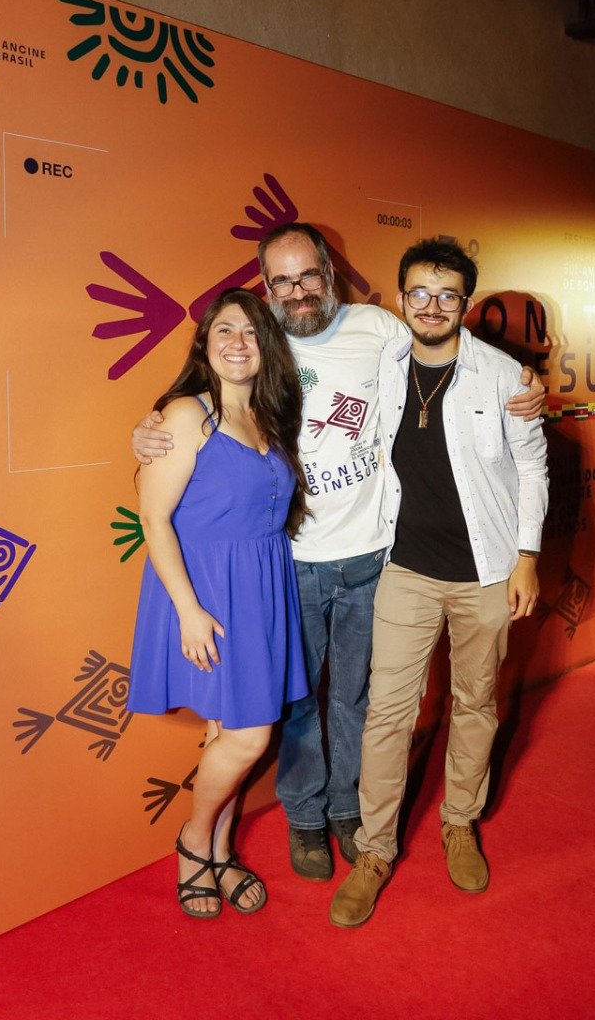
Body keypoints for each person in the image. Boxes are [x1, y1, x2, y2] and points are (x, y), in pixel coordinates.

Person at [132, 224, 545, 882]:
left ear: (330, 273)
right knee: (297, 703)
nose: (298, 291)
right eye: (282, 280)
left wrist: (519, 379)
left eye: (309, 275)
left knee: (356, 697)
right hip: (289, 564)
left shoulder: (377, 328)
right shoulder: (256, 341)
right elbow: (197, 409)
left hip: (373, 556)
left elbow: (445, 348)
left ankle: (349, 810)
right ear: (267, 288)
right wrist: (148, 428)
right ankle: (304, 818)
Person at [329, 238, 548, 928]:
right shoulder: (383, 363)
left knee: (474, 703)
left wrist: (528, 556)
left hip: (486, 572)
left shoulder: (505, 377)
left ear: (465, 304)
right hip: (406, 570)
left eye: (447, 294)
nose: (431, 306)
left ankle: (459, 821)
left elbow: (533, 469)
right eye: (419, 293)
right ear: (400, 299)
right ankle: (375, 851)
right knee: (388, 714)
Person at [128, 287, 309, 918]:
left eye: (252, 332)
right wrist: (188, 610)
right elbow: (153, 518)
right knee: (250, 738)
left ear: (268, 346)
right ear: (204, 342)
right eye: (225, 330)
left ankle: (221, 851)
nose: (239, 342)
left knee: (226, 733)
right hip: (206, 593)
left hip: (261, 589)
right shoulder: (186, 414)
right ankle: (194, 840)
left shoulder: (269, 414)